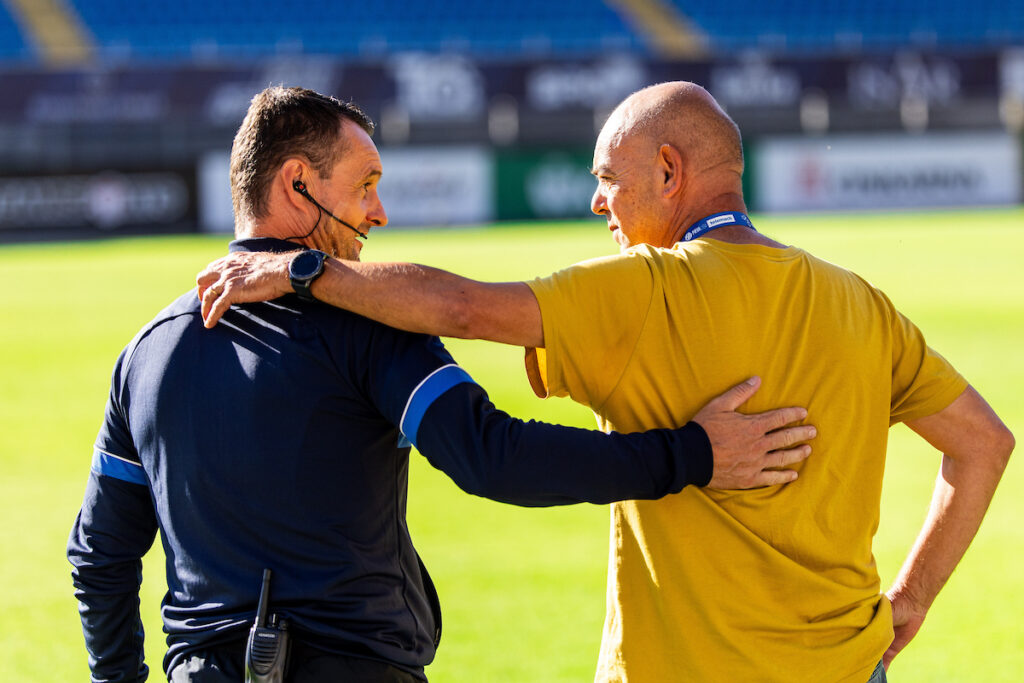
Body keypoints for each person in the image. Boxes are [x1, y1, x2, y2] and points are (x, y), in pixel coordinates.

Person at [197, 81, 1015, 683]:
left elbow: (463, 308)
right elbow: (985, 442)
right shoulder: (861, 303)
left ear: (669, 171)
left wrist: (302, 270)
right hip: (848, 665)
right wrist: (911, 599)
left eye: (608, 178)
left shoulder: (642, 290)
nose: (597, 203)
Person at [68, 86, 816, 683]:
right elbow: (492, 457)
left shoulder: (148, 352)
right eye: (365, 186)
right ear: (297, 183)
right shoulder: (367, 322)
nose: (378, 213)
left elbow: (100, 555)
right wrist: (692, 454)